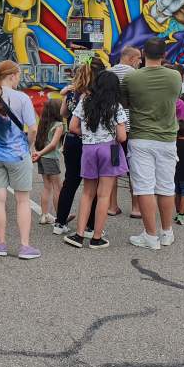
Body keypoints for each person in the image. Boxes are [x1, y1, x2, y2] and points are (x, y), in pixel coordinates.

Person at [0, 60, 40, 259]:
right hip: (17, 154)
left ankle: (1, 244)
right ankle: (24, 246)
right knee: (22, 200)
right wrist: (27, 145)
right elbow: (33, 128)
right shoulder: (22, 98)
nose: (19, 79)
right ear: (12, 76)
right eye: (18, 76)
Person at [122, 37, 181, 250]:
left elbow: (124, 102)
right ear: (164, 55)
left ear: (143, 54)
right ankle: (167, 232)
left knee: (144, 187)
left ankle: (150, 235)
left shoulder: (132, 78)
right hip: (167, 138)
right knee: (166, 187)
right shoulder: (175, 76)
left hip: (140, 137)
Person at [64, 70, 129, 249]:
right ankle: (96, 237)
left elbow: (72, 127)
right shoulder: (116, 107)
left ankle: (79, 234)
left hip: (89, 149)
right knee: (104, 195)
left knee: (87, 193)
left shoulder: (85, 101)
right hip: (110, 148)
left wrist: (88, 135)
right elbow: (122, 137)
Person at [51, 59, 105, 237]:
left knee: (70, 181)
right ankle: (90, 226)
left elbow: (63, 113)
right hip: (89, 142)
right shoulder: (94, 95)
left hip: (71, 141)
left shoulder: (72, 93)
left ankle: (60, 222)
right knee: (93, 184)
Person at [108, 46, 140, 217]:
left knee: (113, 167)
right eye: (139, 59)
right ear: (132, 58)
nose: (140, 62)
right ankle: (135, 208)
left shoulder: (108, 73)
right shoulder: (135, 75)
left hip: (112, 129)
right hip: (131, 126)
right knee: (134, 167)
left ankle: (112, 206)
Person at [31, 98, 64, 225]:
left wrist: (37, 153)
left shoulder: (43, 123)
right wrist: (41, 153)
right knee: (57, 188)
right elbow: (54, 144)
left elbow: (36, 139)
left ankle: (44, 215)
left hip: (42, 158)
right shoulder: (59, 125)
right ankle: (60, 218)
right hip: (50, 157)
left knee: (47, 186)